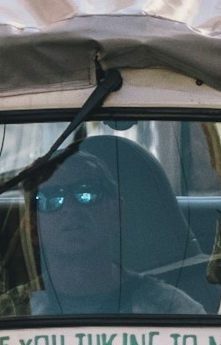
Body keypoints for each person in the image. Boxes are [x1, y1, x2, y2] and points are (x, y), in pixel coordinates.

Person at [28, 136, 203, 321]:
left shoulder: (171, 310)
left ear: (116, 212)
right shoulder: (10, 311)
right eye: (50, 199)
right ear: (32, 228)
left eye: (87, 193)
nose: (70, 208)